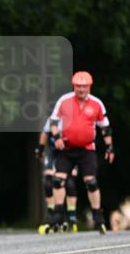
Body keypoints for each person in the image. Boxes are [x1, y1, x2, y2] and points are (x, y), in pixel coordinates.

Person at [48, 71, 114, 233]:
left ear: (89, 87)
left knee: (91, 182)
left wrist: (109, 147)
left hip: (87, 149)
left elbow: (105, 127)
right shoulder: (64, 101)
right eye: (78, 86)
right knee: (58, 180)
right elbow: (53, 121)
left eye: (84, 86)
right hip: (67, 148)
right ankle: (57, 215)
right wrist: (56, 136)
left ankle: (98, 217)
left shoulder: (97, 103)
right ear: (74, 86)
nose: (81, 89)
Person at [35, 118, 78, 232]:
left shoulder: (72, 121)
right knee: (48, 182)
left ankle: (72, 217)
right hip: (52, 151)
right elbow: (44, 134)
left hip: (68, 150)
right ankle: (53, 215)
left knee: (69, 183)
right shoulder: (52, 120)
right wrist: (40, 148)